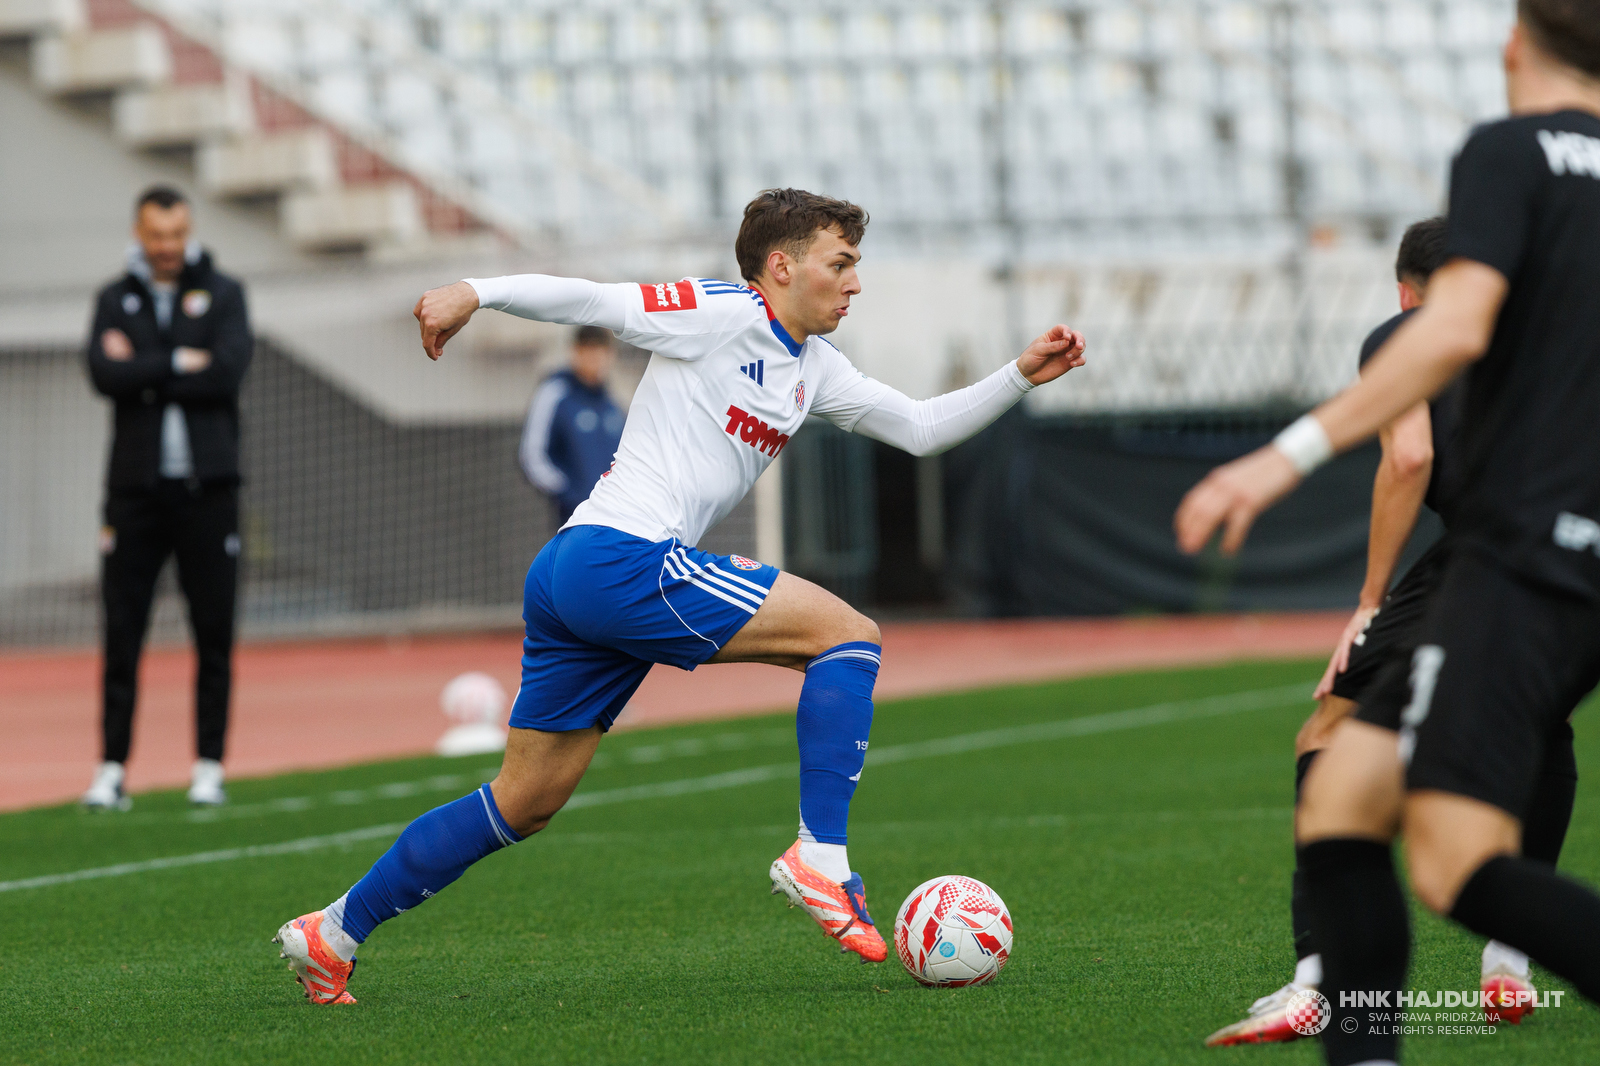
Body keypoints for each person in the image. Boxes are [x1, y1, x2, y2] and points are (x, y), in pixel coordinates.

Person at [270, 188, 1087, 1004]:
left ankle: (332, 932)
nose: (854, 283)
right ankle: (820, 857)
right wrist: (474, 292)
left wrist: (1019, 375)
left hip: (577, 572)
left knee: (523, 802)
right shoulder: (721, 310)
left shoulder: (817, 366)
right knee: (849, 636)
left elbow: (917, 427)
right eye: (840, 264)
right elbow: (594, 301)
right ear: (782, 265)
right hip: (616, 559)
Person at [1176, 4, 1600, 1063]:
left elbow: (1447, 333)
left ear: (1514, 47)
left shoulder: (1506, 153)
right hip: (1552, 554)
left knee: (1451, 861)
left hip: (1533, 554)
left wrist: (1285, 453)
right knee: (1344, 805)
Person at [1203, 217, 1577, 1046]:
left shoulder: (1410, 331)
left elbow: (1407, 456)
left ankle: (1319, 980)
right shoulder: (1540, 323)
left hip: (1514, 548)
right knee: (1543, 719)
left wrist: (1369, 601)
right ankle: (1508, 961)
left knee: (1329, 731)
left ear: (1405, 290)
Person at [81, 185, 252, 811]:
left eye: (176, 235)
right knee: (122, 629)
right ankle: (111, 768)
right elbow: (103, 374)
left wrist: (146, 365)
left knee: (213, 630)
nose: (168, 247)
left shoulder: (224, 291)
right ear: (139, 233)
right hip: (134, 494)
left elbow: (227, 370)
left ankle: (208, 765)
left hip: (208, 491)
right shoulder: (113, 296)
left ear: (189, 230)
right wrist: (181, 358)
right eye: (156, 236)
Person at [519, 325, 626, 525]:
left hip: (615, 520)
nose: (594, 358)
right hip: (574, 520)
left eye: (599, 350)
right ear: (575, 351)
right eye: (587, 349)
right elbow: (532, 455)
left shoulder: (612, 403)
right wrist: (569, 494)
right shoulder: (555, 392)